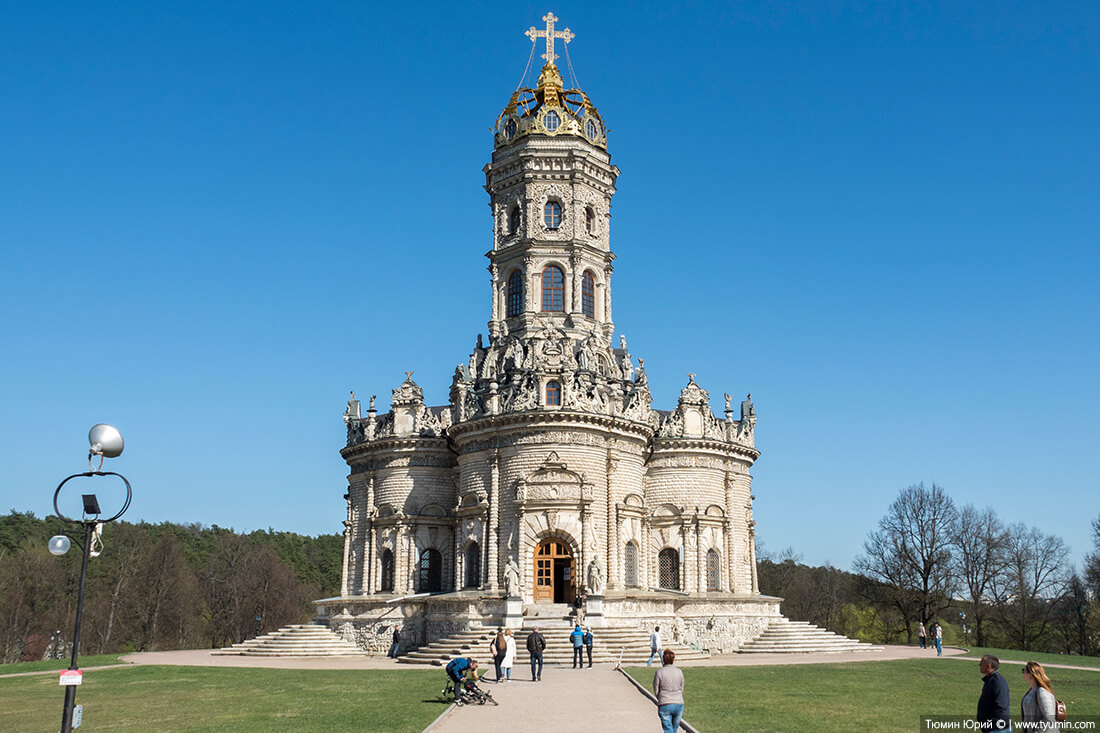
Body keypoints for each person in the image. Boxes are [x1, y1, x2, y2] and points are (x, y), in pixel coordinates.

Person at [653, 649, 685, 733]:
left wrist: (660, 698)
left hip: (665, 703)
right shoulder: (679, 672)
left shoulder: (659, 672)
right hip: (678, 703)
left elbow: (656, 689)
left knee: (668, 730)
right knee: (673, 730)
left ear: (663, 659)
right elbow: (681, 687)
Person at [977, 654, 1011, 731]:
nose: (979, 665)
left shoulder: (996, 682)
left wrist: (990, 725)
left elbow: (1001, 706)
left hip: (997, 729)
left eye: (981, 664)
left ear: (989, 666)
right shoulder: (991, 680)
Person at [1021, 661, 1057, 729]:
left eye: (1024, 671)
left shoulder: (1042, 693)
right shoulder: (1031, 691)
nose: (1023, 673)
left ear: (1030, 675)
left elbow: (1049, 717)